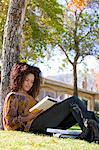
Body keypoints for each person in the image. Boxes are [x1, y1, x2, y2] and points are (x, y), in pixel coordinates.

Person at [3, 62, 99, 142]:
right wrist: (30, 116)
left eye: (32, 82)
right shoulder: (13, 96)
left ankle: (94, 132)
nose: (29, 84)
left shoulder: (30, 97)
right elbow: (9, 123)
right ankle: (90, 133)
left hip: (41, 123)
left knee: (78, 111)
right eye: (27, 80)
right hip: (31, 126)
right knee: (73, 100)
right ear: (19, 78)